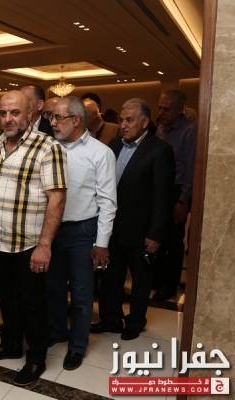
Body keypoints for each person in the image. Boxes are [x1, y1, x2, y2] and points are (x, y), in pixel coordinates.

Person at [0, 90, 67, 385]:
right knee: (5, 296)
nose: (8, 119)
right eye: (3, 113)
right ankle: (11, 343)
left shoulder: (47, 147)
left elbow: (57, 199)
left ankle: (36, 357)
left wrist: (45, 245)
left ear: (29, 113)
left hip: (29, 244)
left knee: (33, 302)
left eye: (14, 113)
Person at [92, 98, 175, 341]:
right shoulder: (114, 145)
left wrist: (155, 235)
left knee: (141, 280)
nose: (123, 125)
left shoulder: (159, 150)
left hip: (142, 231)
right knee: (111, 277)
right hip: (112, 227)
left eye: (129, 120)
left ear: (145, 122)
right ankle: (110, 319)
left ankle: (136, 321)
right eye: (121, 120)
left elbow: (163, 197)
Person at [46, 97, 117, 370]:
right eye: (51, 117)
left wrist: (101, 243)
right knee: (53, 288)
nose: (52, 123)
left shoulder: (100, 153)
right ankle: (57, 332)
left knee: (82, 294)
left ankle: (77, 346)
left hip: (83, 231)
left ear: (75, 120)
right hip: (52, 230)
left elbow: (107, 202)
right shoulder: (48, 148)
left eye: (58, 117)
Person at [154, 90, 196, 301]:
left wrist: (183, 200)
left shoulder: (189, 131)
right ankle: (157, 281)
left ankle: (169, 286)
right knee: (158, 237)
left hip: (177, 190)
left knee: (173, 242)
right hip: (159, 189)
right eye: (160, 108)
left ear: (179, 110)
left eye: (166, 109)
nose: (161, 113)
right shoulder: (160, 128)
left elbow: (191, 168)